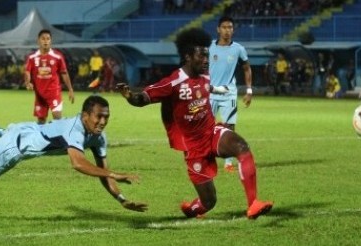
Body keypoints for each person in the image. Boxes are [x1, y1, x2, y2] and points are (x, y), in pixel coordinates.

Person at [115, 28, 273, 220]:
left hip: (212, 132)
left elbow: (208, 87)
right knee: (209, 202)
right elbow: (143, 99)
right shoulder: (173, 82)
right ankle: (191, 209)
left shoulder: (205, 76)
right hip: (193, 147)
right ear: (188, 57)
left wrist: (222, 90)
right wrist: (130, 96)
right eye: (202, 56)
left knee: (242, 147)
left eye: (207, 55)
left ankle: (253, 204)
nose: (206, 60)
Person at [0, 95, 148, 216]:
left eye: (106, 117)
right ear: (85, 116)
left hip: (30, 130)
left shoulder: (98, 137)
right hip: (15, 148)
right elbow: (78, 163)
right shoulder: (75, 130)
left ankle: (7, 131)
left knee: (31, 134)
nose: (102, 121)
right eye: (98, 116)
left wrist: (122, 199)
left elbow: (102, 174)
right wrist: (114, 174)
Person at [209, 15, 253, 173]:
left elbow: (247, 68)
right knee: (204, 126)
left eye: (230, 28)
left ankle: (228, 162)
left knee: (229, 127)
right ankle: (206, 157)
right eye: (224, 27)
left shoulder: (238, 49)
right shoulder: (209, 48)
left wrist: (249, 90)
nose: (227, 31)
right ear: (218, 29)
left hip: (229, 94)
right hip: (210, 93)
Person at [24, 29, 75, 124]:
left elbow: (64, 73)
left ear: (51, 41)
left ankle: (58, 138)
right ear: (38, 40)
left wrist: (70, 89)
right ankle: (41, 138)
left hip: (54, 92)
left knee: (57, 118)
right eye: (43, 39)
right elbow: (27, 71)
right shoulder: (32, 57)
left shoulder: (58, 56)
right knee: (41, 121)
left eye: (48, 39)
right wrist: (28, 82)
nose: (46, 41)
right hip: (40, 95)